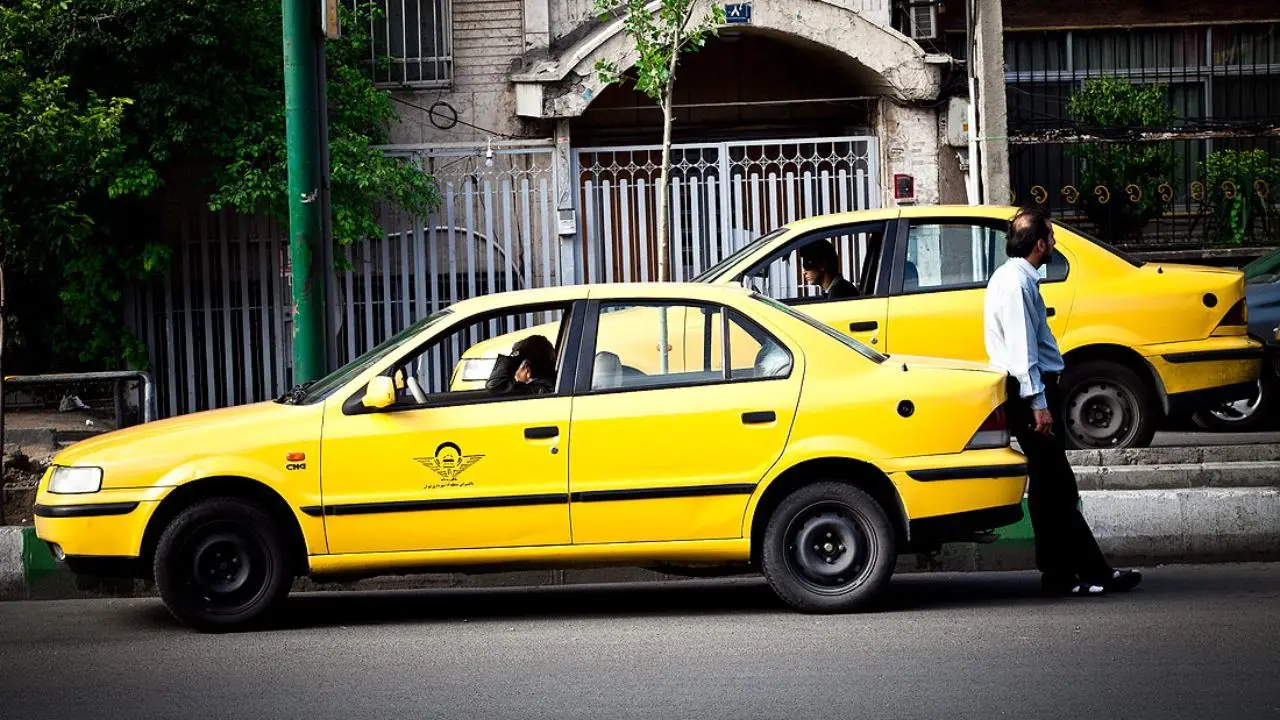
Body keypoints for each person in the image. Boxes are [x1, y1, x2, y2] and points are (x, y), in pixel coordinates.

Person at [984, 207, 1142, 597]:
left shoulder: (1011, 277)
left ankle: (1056, 573)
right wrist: (1039, 404)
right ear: (1039, 244)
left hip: (1030, 393)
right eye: (1051, 238)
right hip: (1032, 396)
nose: (1054, 243)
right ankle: (1094, 573)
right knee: (1058, 487)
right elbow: (1023, 353)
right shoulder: (1017, 284)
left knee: (1047, 488)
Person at [486, 334, 557, 396]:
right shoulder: (546, 384)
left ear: (526, 367)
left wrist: (516, 379)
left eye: (519, 362)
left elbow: (493, 386)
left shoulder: (538, 389)